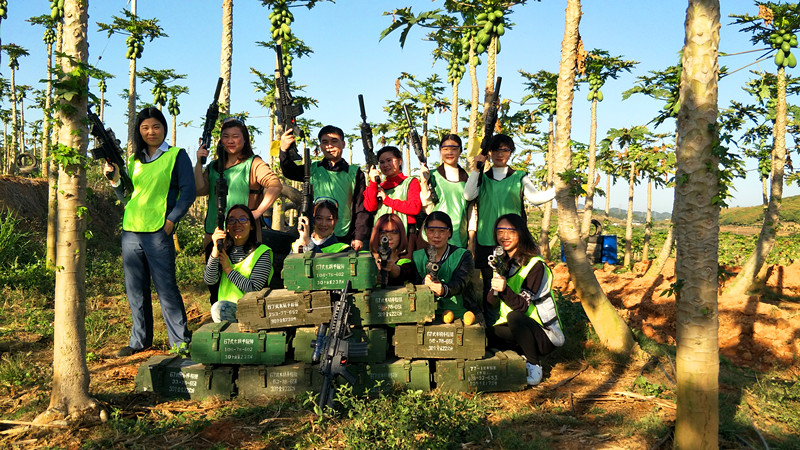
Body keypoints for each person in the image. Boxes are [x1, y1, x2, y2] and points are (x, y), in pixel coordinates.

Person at [104, 107, 195, 358]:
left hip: (158, 231)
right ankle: (139, 340)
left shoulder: (177, 156)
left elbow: (188, 192)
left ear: (164, 128)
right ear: (139, 131)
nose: (151, 132)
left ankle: (180, 342)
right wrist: (114, 181)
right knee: (135, 288)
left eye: (156, 126)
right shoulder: (134, 161)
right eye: (145, 128)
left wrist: (171, 221)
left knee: (166, 287)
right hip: (131, 230)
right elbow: (127, 196)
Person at [464, 133, 556, 324]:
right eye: (496, 150)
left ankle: (512, 325)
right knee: (491, 287)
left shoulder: (519, 177)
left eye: (505, 150)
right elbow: (468, 194)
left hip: (513, 243)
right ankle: (491, 328)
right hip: (487, 241)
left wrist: (559, 189)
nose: (500, 154)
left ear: (511, 153)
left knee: (514, 284)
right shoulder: (483, 178)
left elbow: (535, 197)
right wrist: (476, 169)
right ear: (489, 152)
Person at [195, 117, 281, 305]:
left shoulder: (254, 163)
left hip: (244, 237)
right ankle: (218, 323)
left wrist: (257, 212)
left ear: (245, 139)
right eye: (226, 136)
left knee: (245, 286)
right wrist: (199, 163)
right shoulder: (214, 166)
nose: (231, 140)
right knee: (214, 284)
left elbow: (275, 185)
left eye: (236, 136)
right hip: (215, 233)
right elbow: (199, 189)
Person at [486, 213, 564, 386]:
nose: (504, 236)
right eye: (500, 231)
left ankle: (534, 365)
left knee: (515, 316)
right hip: (518, 329)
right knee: (485, 336)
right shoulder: (503, 262)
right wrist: (497, 280)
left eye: (510, 231)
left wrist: (504, 289)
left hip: (544, 335)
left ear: (520, 233)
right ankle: (520, 352)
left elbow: (521, 306)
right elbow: (491, 304)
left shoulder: (535, 265)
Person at [280, 125, 369, 250]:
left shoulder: (355, 172)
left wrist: (359, 236)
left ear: (343, 144)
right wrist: (284, 150)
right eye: (325, 142)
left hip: (344, 236)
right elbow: (289, 171)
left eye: (334, 141)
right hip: (313, 236)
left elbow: (361, 207)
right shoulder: (312, 169)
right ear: (321, 146)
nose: (329, 146)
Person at [204, 205, 273, 323]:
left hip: (253, 310)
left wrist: (228, 269)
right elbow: (210, 280)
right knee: (219, 308)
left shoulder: (262, 252)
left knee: (218, 308)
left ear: (251, 225)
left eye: (242, 219)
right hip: (225, 310)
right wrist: (215, 248)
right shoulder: (223, 251)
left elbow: (254, 289)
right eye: (232, 220)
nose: (237, 224)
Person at [412, 211, 480, 322]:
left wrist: (444, 290)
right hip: (425, 315)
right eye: (431, 231)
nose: (436, 236)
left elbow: (461, 282)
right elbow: (412, 285)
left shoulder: (463, 255)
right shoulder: (417, 256)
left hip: (460, 314)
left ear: (449, 233)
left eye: (442, 231)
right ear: (425, 232)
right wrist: (424, 284)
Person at [364, 146, 422, 254]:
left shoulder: (411, 182)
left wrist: (387, 200)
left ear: (399, 161)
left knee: (404, 269)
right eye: (381, 162)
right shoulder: (378, 186)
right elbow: (370, 207)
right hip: (382, 236)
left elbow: (414, 208)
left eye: (389, 160)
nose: (385, 165)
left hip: (407, 236)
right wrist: (372, 183)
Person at [419, 134, 473, 249]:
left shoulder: (469, 178)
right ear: (440, 151)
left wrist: (471, 242)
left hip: (459, 237)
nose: (449, 153)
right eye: (445, 149)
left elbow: (471, 212)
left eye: (454, 149)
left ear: (460, 151)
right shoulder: (431, 175)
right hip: (432, 236)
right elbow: (427, 209)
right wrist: (424, 182)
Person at [369, 213, 415, 287]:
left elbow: (404, 272)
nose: (389, 237)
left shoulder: (405, 262)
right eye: (383, 232)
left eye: (394, 232)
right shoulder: (366, 259)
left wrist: (392, 268)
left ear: (401, 235)